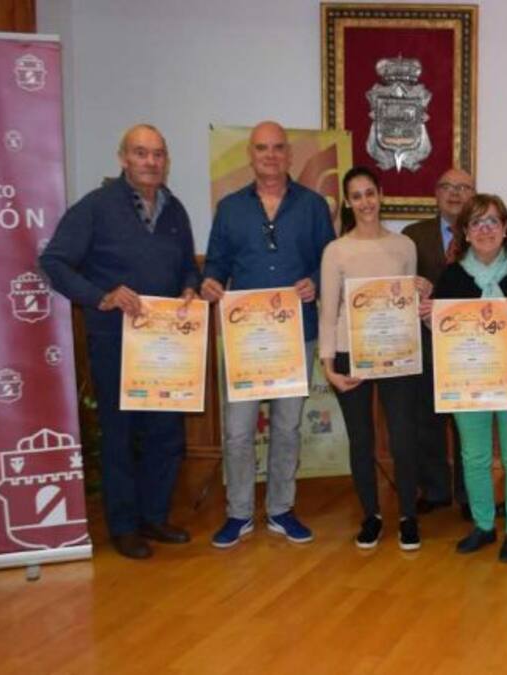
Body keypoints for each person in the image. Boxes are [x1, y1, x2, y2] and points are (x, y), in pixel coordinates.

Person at [39, 124, 198, 560]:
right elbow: (54, 262)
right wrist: (101, 296)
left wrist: (189, 286)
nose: (151, 161)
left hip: (167, 344)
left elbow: (187, 265)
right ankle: (124, 527)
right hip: (115, 341)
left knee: (165, 434)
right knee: (121, 436)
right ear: (123, 158)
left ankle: (154, 516)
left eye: (158, 154)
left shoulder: (175, 210)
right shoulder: (96, 206)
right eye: (141, 153)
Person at [200, 121, 335, 548]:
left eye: (278, 148)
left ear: (289, 154)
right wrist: (210, 281)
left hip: (296, 334)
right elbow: (216, 263)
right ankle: (238, 513)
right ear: (251, 154)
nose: (271, 155)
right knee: (238, 431)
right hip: (246, 338)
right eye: (262, 148)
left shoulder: (313, 206)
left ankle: (280, 509)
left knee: (287, 427)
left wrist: (316, 281)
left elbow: (328, 261)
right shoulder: (229, 208)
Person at [421, 194, 507, 562]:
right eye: (476, 222)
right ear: (466, 233)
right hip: (467, 383)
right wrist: (429, 318)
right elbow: (442, 332)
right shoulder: (452, 276)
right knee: (473, 458)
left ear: (505, 229)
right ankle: (484, 526)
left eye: (492, 221)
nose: (485, 229)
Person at [319, 166, 427, 551]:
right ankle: (371, 516)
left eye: (370, 193)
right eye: (356, 196)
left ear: (381, 194)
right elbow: (328, 311)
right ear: (348, 203)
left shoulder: (405, 246)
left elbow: (409, 304)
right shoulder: (336, 251)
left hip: (397, 352)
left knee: (403, 437)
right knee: (361, 439)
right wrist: (328, 366)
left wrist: (422, 292)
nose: (365, 202)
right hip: (350, 353)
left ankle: (408, 516)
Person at [403, 168, 475, 517]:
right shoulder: (412, 236)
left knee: (467, 426)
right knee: (426, 422)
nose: (455, 193)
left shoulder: (483, 232)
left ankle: (468, 494)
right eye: (447, 186)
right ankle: (435, 490)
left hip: (469, 346)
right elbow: (399, 285)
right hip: (426, 342)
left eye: (463, 187)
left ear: (473, 194)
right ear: (436, 193)